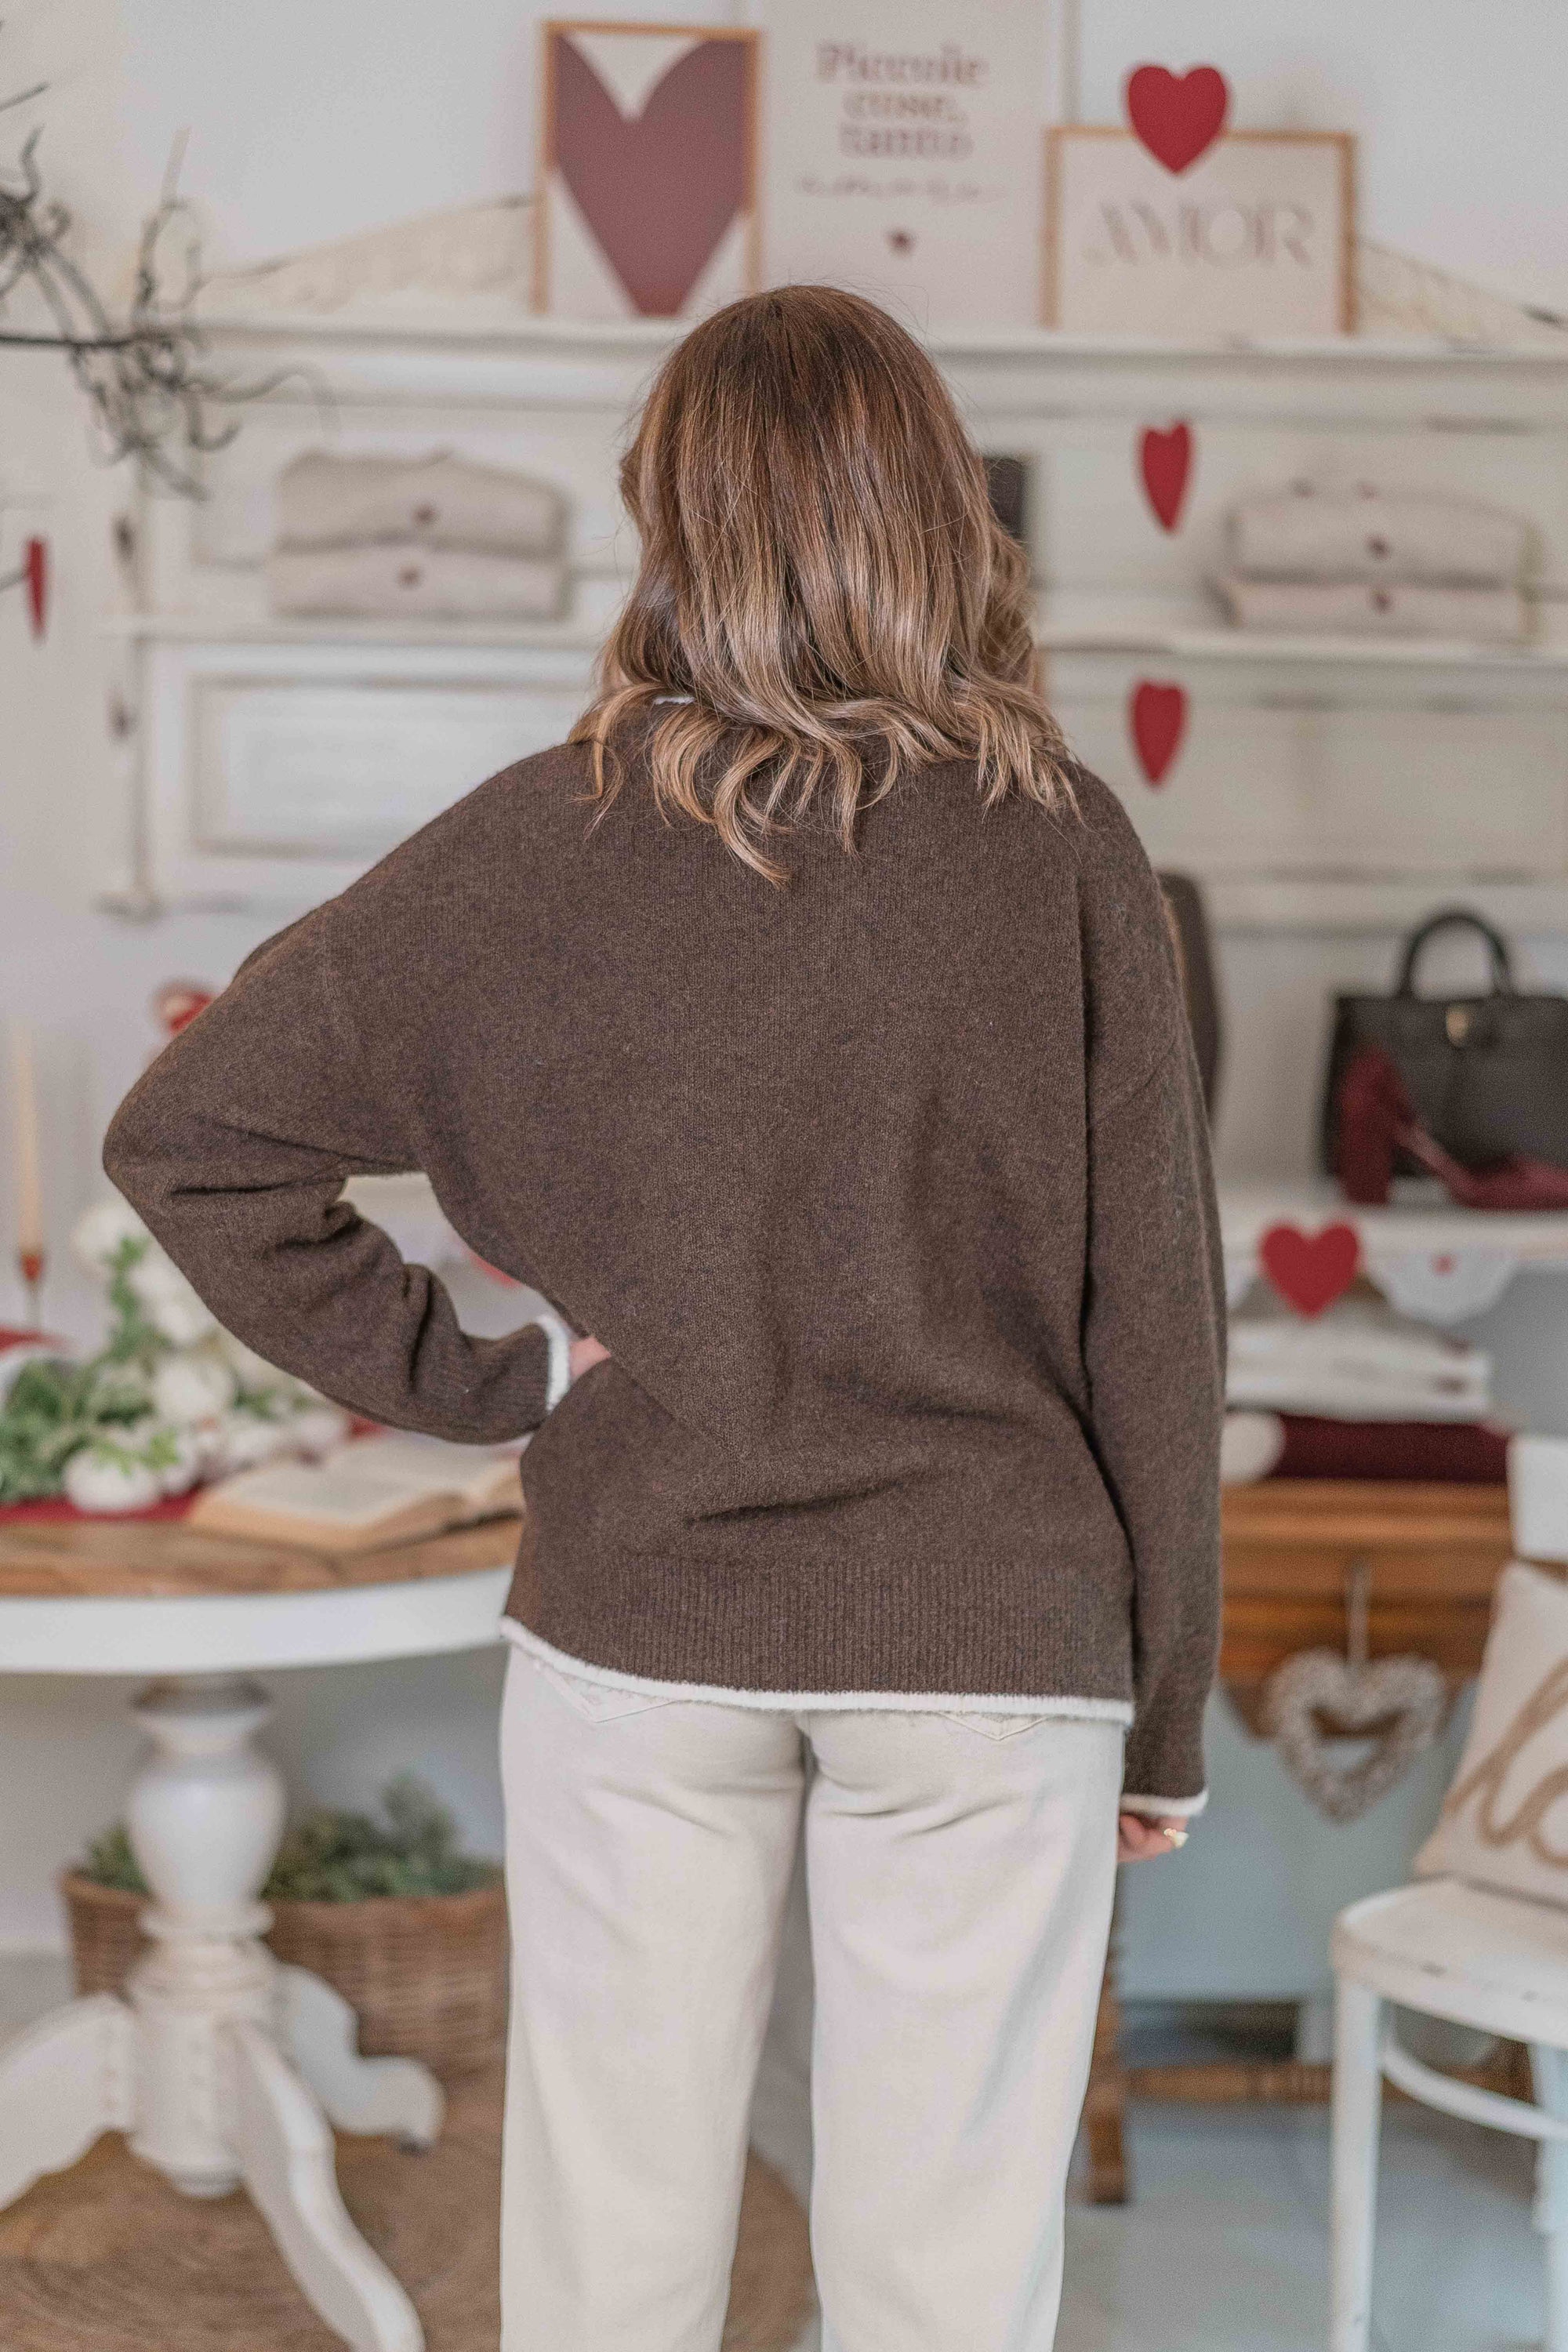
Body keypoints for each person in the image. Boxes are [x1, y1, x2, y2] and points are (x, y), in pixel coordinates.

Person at [104, 285, 1224, 2352]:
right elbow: (1155, 1311)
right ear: (938, 514)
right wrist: (1163, 1719)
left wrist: (497, 1381)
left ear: (667, 519)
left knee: (608, 2262)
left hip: (637, 1627)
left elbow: (192, 1137)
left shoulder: (534, 841)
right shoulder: (1064, 843)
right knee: (950, 2289)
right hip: (993, 1651)